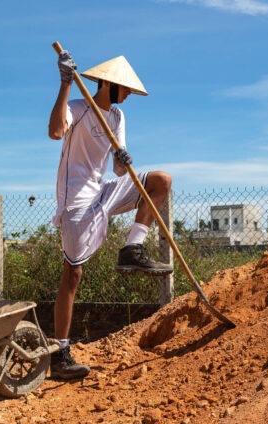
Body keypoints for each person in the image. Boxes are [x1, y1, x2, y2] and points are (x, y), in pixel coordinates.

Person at [47, 50, 173, 380]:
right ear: (107, 84)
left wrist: (123, 158)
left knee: (160, 182)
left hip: (103, 191)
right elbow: (55, 131)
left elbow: (118, 171)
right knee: (72, 275)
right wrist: (64, 84)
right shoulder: (78, 108)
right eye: (125, 88)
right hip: (75, 201)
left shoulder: (116, 117)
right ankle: (60, 353)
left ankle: (133, 247)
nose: (129, 94)